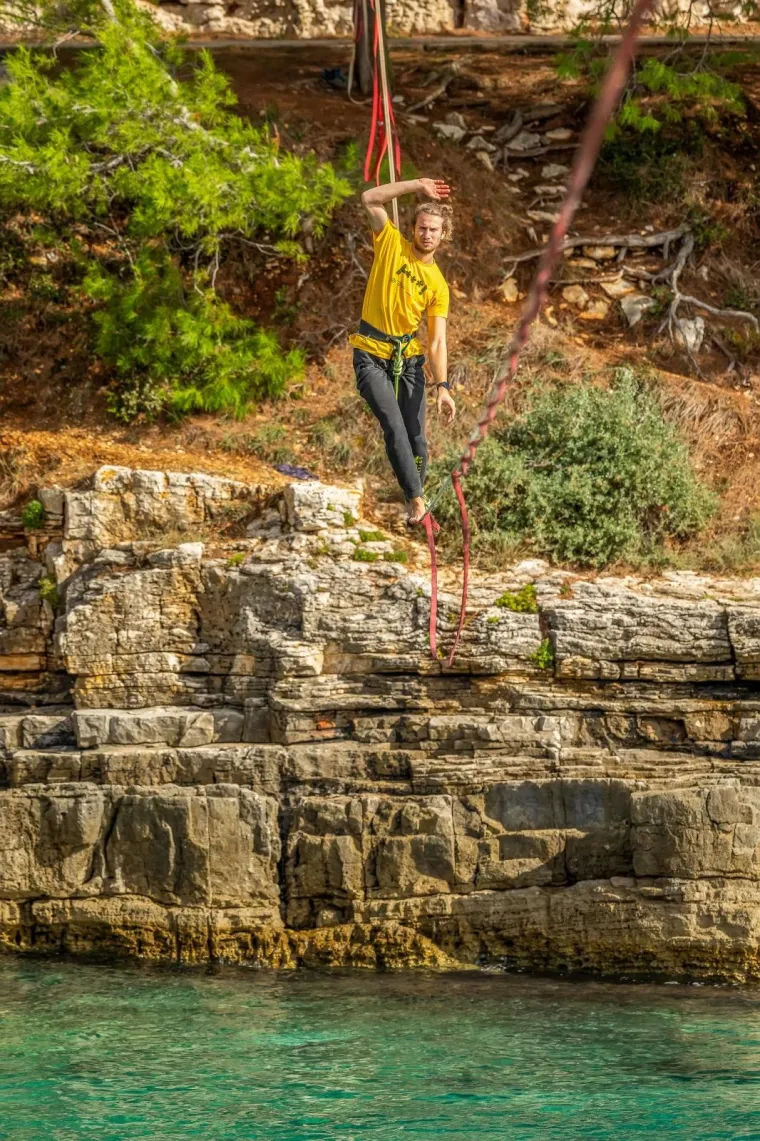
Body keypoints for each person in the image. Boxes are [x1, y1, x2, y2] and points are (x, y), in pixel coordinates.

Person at [349, 177, 456, 525]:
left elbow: (437, 341)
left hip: (407, 359)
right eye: (422, 227)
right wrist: (416, 186)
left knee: (418, 441)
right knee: (394, 427)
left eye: (434, 230)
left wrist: (443, 388)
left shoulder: (438, 284)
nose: (427, 234)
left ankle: (417, 498)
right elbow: (369, 198)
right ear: (413, 228)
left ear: (443, 235)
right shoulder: (391, 243)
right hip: (370, 354)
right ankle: (416, 501)